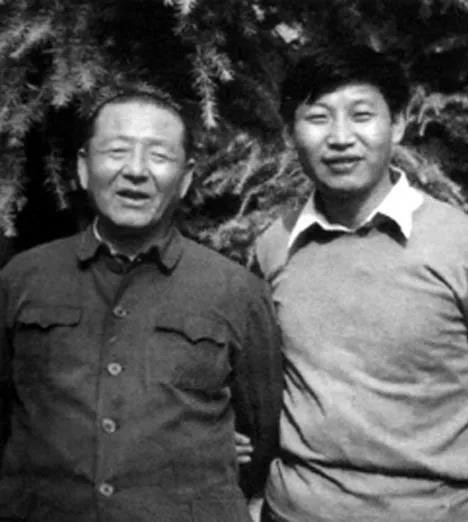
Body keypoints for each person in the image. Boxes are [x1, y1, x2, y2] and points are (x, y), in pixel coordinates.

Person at [0, 88, 282, 521]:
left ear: (185, 178)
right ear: (83, 167)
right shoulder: (23, 278)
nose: (135, 171)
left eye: (159, 156)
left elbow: (260, 433)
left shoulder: (235, 290)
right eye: (116, 151)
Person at [254, 44, 468, 522]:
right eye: (318, 118)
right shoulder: (275, 245)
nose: (340, 138)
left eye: (362, 115)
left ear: (399, 124)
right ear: (289, 134)